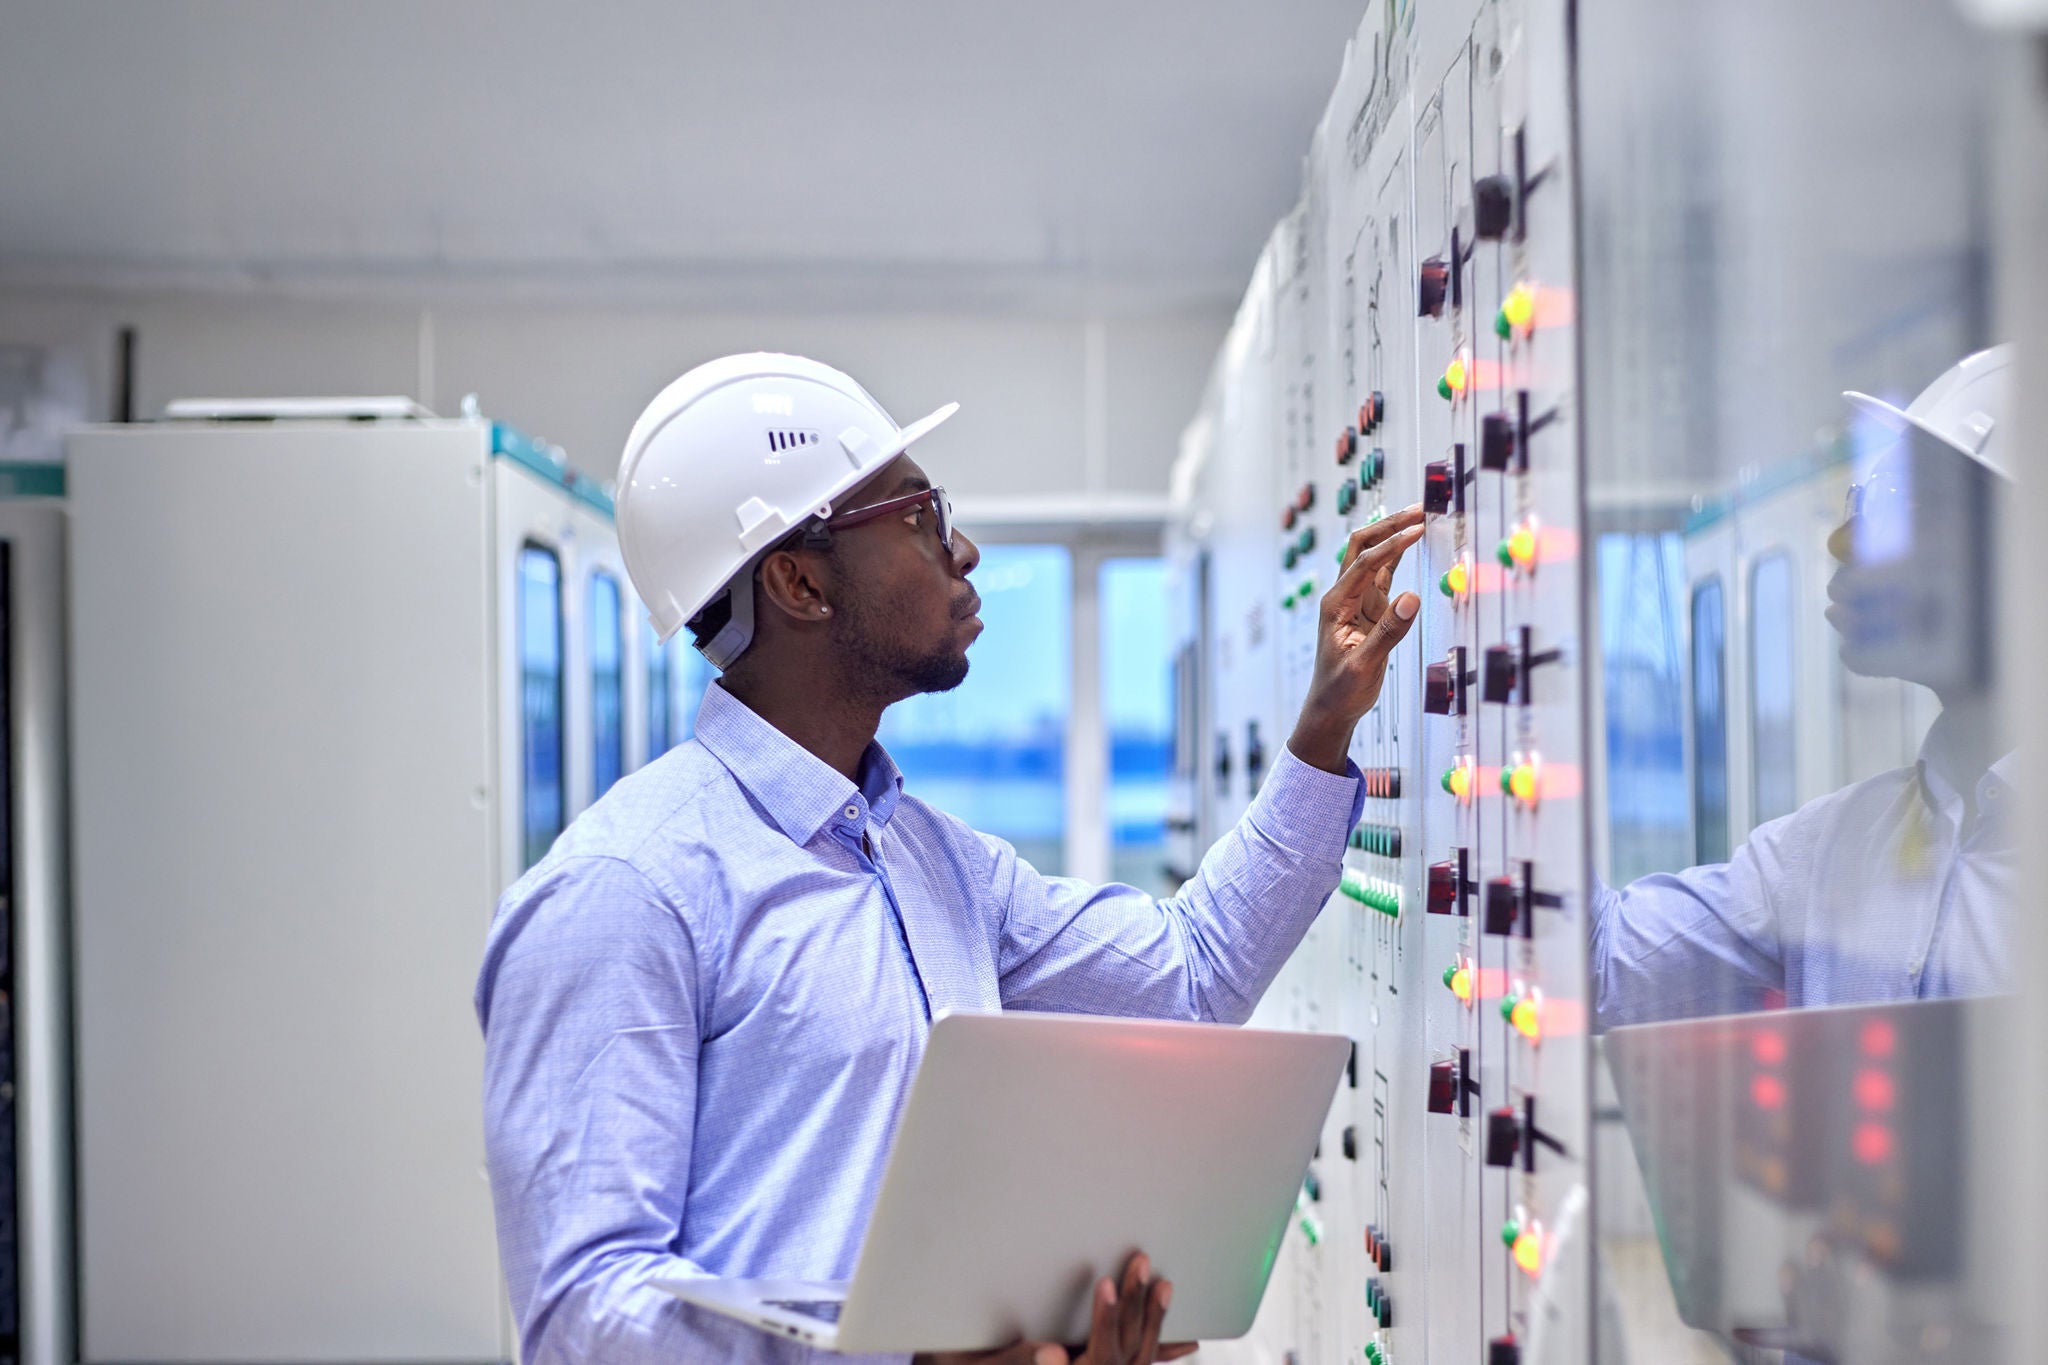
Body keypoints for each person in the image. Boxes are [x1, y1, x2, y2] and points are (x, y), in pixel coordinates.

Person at [475, 353, 1427, 1365]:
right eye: (919, 516)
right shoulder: (625, 889)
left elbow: (1191, 976)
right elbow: (583, 1317)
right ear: (798, 582)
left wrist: (1325, 724)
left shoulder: (932, 863)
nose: (961, 550)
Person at [1591, 345, 2015, 1029]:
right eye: (1864, 500)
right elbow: (1601, 964)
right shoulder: (1829, 850)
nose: (1845, 542)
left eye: (1904, 502)